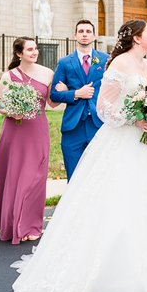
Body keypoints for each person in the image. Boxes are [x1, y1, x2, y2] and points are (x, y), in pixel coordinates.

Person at [11, 20, 147, 292]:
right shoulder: (118, 65)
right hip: (124, 139)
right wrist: (133, 119)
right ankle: (117, 274)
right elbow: (103, 107)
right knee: (121, 200)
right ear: (136, 38)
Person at [0, 37, 59, 244]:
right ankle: (12, 224)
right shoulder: (9, 76)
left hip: (37, 130)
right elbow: (0, 106)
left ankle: (31, 224)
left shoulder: (47, 73)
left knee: (35, 177)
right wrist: (12, 112)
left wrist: (66, 92)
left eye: (35, 49)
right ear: (19, 53)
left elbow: (52, 103)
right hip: (15, 130)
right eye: (29, 49)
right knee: (15, 176)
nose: (34, 52)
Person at [49, 20, 108, 179]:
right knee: (74, 175)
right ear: (75, 35)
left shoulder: (105, 60)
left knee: (99, 174)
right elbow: (54, 95)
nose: (84, 34)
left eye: (88, 31)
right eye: (81, 31)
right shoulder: (64, 62)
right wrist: (75, 93)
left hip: (99, 124)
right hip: (73, 127)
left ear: (94, 36)